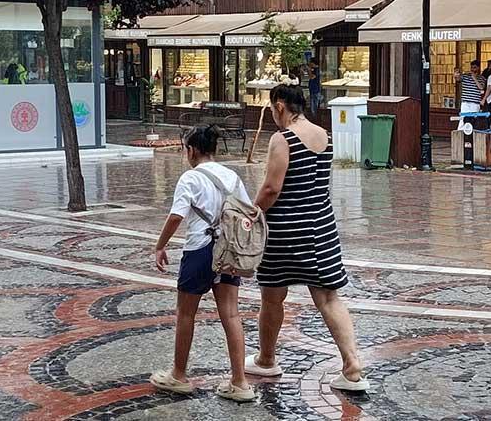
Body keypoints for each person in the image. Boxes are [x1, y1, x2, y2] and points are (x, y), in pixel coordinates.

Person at [245, 83, 368, 392]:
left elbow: (273, 188)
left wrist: (252, 212)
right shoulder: (322, 134)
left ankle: (266, 359)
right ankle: (352, 366)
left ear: (280, 106)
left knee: (272, 296)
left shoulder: (282, 138)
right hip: (322, 226)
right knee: (328, 297)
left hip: (287, 229)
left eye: (273, 108)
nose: (273, 114)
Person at [151, 125, 256, 402]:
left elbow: (176, 216)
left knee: (186, 314)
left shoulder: (190, 178)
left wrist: (160, 245)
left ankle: (179, 375)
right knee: (231, 315)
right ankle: (240, 382)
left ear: (192, 150)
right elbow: (247, 214)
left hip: (199, 250)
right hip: (229, 253)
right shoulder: (232, 177)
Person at [455, 60, 485, 130]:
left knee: (473, 120)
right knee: (463, 119)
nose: (472, 69)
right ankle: (460, 135)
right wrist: (456, 75)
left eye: (474, 68)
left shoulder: (482, 78)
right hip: (465, 102)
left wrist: (474, 77)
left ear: (478, 68)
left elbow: (481, 87)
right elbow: (458, 80)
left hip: (475, 103)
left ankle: (471, 135)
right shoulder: (465, 76)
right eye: (471, 68)